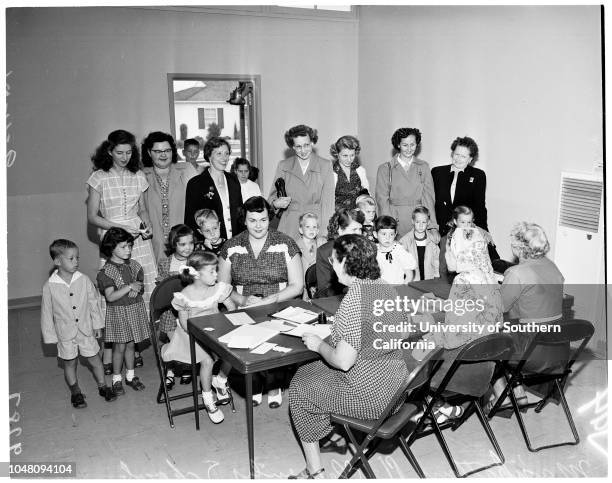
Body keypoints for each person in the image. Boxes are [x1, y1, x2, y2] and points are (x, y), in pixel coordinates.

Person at [288, 234, 409, 479]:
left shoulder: (354, 298)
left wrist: (318, 344)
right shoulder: (385, 287)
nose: (332, 266)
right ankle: (327, 431)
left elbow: (343, 362)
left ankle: (315, 472)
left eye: (334, 261)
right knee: (309, 371)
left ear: (346, 264)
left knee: (299, 386)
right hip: (397, 387)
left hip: (371, 397)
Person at [218, 196, 303, 408]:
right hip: (243, 304)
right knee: (246, 337)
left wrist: (268, 300)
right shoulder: (231, 246)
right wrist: (243, 300)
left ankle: (274, 385)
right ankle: (254, 384)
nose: (258, 225)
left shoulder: (285, 243)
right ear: (244, 221)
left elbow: (297, 286)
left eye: (263, 220)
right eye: (253, 220)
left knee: (275, 337)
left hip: (280, 303)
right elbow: (222, 286)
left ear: (269, 219)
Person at [87, 129, 157, 371]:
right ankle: (111, 353)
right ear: (109, 151)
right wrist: (119, 226)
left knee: (139, 292)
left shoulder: (138, 175)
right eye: (119, 152)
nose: (125, 157)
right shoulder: (99, 177)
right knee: (115, 292)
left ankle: (134, 348)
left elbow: (143, 210)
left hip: (138, 240)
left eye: (129, 152)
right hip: (114, 237)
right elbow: (93, 216)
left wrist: (146, 227)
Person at [423, 226, 503, 422]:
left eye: (449, 250)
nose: (446, 255)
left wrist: (430, 333)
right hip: (484, 369)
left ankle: (430, 404)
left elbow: (451, 339)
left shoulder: (463, 280)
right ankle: (445, 408)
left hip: (457, 372)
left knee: (413, 350)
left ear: (459, 252)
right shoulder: (490, 278)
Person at [488, 222, 566, 408]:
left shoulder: (516, 273)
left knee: (485, 341)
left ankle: (502, 396)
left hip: (530, 352)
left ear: (517, 247)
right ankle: (518, 391)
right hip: (557, 350)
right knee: (509, 332)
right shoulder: (553, 268)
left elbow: (498, 308)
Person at [162, 251, 236, 423]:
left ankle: (220, 379)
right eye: (212, 271)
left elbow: (231, 308)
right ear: (196, 274)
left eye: (216, 270)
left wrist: (228, 321)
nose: (216, 274)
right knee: (208, 360)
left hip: (215, 330)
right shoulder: (185, 296)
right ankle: (208, 397)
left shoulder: (217, 288)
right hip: (192, 335)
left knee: (235, 351)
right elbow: (185, 324)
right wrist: (206, 336)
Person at [41, 239, 116, 408]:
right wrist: (50, 336)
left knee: (95, 359)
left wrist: (97, 325)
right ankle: (76, 392)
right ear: (57, 261)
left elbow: (93, 302)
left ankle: (103, 386)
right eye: (71, 258)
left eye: (77, 258)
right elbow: (46, 313)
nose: (76, 262)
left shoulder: (83, 279)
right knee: (70, 363)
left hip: (86, 330)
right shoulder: (50, 286)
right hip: (65, 333)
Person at [97, 228, 151, 396]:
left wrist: (137, 287)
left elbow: (140, 282)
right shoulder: (106, 272)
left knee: (131, 345)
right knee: (119, 347)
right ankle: (116, 379)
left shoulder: (134, 265)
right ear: (111, 248)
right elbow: (111, 297)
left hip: (134, 310)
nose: (128, 250)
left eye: (129, 246)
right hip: (119, 313)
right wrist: (129, 287)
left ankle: (130, 376)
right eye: (123, 247)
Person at [269, 124, 335, 241]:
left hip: (315, 225)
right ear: (292, 147)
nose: (303, 150)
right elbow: (271, 199)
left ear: (313, 143)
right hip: (289, 225)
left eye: (306, 145)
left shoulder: (325, 165)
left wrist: (324, 234)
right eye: (298, 147)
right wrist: (276, 204)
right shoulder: (283, 166)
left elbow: (328, 204)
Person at [142, 131, 198, 262]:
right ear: (149, 153)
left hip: (185, 245)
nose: (163, 155)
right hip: (153, 244)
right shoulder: (142, 175)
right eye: (157, 151)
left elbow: (198, 203)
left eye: (167, 150)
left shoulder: (186, 170)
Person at [375, 127, 437, 238]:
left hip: (419, 221)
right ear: (398, 145)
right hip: (395, 221)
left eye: (412, 145)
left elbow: (429, 198)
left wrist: (432, 226)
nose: (409, 149)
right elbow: (382, 200)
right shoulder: (385, 169)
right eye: (405, 145)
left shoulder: (423, 167)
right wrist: (386, 227)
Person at [155, 224, 196, 389]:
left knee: (188, 341)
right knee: (175, 342)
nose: (188, 248)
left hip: (191, 309)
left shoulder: (196, 260)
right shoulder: (166, 263)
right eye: (182, 244)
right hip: (170, 311)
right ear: (174, 244)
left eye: (191, 243)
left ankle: (187, 367)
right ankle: (170, 370)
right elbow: (162, 289)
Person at [184, 137, 244, 242]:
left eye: (227, 153)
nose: (224, 158)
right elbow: (190, 221)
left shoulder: (233, 180)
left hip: (235, 243)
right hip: (209, 245)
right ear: (209, 156)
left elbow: (240, 214)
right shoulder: (196, 184)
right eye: (219, 154)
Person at [431, 136, 489, 237]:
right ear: (452, 153)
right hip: (440, 231)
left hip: (466, 232)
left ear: (470, 159)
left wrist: (483, 230)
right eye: (457, 154)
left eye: (463, 156)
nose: (458, 159)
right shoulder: (437, 172)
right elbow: (430, 202)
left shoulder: (478, 175)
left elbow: (480, 208)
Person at [439, 206, 498, 283]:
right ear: (455, 221)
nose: (466, 225)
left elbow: (486, 258)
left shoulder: (478, 235)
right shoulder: (451, 238)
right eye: (463, 222)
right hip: (470, 276)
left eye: (469, 222)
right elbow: (450, 267)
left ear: (472, 221)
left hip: (480, 275)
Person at [315, 208, 364, 298]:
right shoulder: (325, 252)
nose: (359, 234)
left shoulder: (365, 247)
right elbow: (323, 290)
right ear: (340, 230)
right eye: (354, 229)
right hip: (336, 299)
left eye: (360, 229)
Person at [399, 206, 441, 281]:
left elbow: (436, 260)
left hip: (429, 280)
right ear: (413, 221)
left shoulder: (432, 240)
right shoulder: (405, 241)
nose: (420, 225)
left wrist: (437, 274)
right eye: (417, 222)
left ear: (428, 223)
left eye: (424, 222)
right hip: (412, 281)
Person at [330, 135, 369, 211]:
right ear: (337, 154)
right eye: (345, 156)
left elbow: (366, 193)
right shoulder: (331, 172)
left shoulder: (360, 170)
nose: (349, 159)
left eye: (352, 155)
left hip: (358, 214)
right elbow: (328, 199)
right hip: (340, 216)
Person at [375, 215, 416, 284]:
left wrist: (402, 288)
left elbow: (409, 275)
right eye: (384, 234)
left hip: (397, 289)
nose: (387, 238)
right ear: (375, 234)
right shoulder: (373, 251)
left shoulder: (399, 250)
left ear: (395, 234)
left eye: (391, 234)